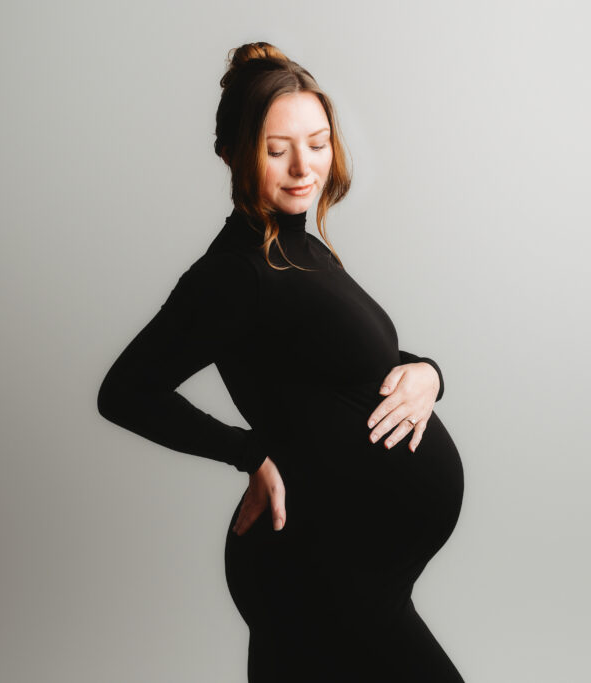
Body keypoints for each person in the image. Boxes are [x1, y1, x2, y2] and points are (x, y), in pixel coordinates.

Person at [98, 41, 465, 682]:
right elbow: (126, 390)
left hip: (351, 564)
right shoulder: (236, 272)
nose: (303, 167)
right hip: (315, 564)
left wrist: (429, 373)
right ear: (232, 153)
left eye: (318, 143)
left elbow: (350, 364)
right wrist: (251, 453)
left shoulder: (301, 249)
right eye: (276, 149)